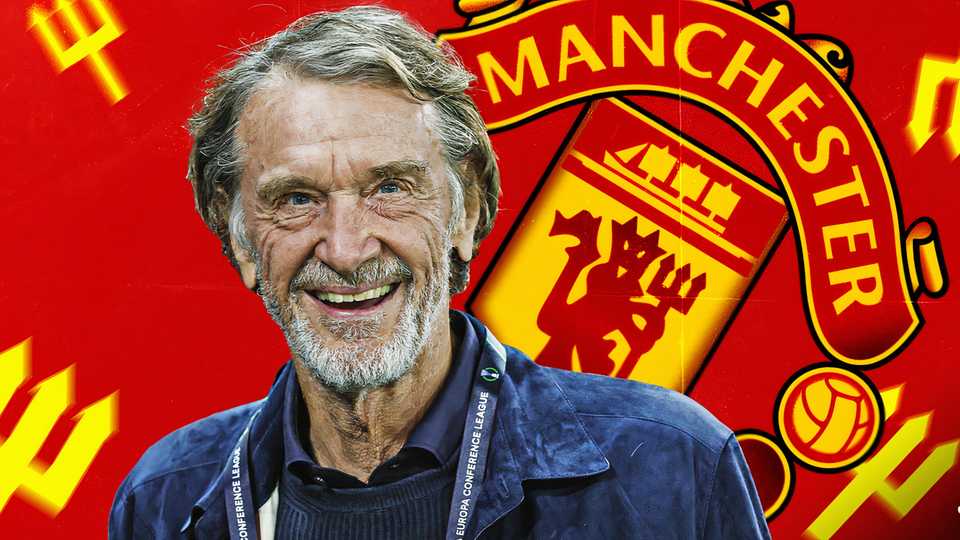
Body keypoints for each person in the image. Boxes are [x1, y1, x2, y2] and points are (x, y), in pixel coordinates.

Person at [109, 6, 770, 539]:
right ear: (242, 238)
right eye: (297, 198)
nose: (345, 250)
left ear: (466, 210)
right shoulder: (165, 499)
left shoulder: (670, 465)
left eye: (390, 188)